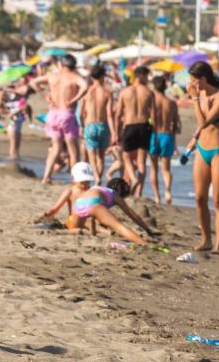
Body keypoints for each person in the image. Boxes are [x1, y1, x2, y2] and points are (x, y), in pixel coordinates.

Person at [38, 163, 158, 246]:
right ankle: (143, 243)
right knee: (119, 226)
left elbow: (92, 215)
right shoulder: (114, 195)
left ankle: (65, 231)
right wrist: (147, 229)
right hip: (92, 203)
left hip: (79, 204)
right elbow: (133, 215)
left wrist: (94, 234)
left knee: (75, 228)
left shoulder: (96, 189)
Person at [181, 62, 219, 253]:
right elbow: (200, 128)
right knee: (199, 198)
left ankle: (218, 245)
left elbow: (203, 121)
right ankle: (206, 240)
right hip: (202, 148)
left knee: (218, 200)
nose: (191, 84)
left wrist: (194, 99)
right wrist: (194, 139)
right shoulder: (200, 94)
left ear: (203, 79)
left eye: (194, 80)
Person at [41, 55, 88, 185]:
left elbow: (33, 82)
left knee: (56, 147)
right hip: (67, 114)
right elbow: (85, 86)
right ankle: (76, 179)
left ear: (61, 65)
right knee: (73, 150)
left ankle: (46, 177)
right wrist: (75, 98)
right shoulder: (74, 77)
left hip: (52, 114)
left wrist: (45, 95)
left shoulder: (53, 76)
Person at [117, 65, 155, 196]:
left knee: (126, 157)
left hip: (130, 126)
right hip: (145, 126)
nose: (148, 79)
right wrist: (153, 131)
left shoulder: (125, 92)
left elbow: (117, 114)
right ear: (141, 76)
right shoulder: (149, 92)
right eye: (146, 76)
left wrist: (116, 132)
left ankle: (133, 179)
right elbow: (153, 116)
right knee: (141, 162)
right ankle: (139, 192)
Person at [80, 64, 115, 183]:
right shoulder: (107, 93)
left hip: (89, 125)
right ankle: (98, 179)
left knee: (91, 155)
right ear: (103, 76)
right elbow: (110, 114)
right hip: (102, 125)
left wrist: (82, 125)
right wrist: (114, 132)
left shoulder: (86, 92)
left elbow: (81, 113)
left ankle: (95, 175)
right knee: (101, 156)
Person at [148, 75, 180, 204]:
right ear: (165, 86)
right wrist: (175, 143)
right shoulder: (171, 103)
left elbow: (148, 120)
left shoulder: (151, 103)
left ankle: (156, 196)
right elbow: (175, 124)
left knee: (154, 168)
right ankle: (167, 190)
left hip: (154, 135)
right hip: (167, 135)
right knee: (166, 169)